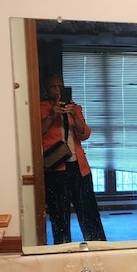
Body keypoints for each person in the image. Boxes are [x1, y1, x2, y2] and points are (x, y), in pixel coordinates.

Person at [40, 75, 106, 244]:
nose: (56, 90)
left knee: (88, 209)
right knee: (59, 212)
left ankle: (97, 244)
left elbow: (85, 134)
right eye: (53, 86)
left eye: (59, 86)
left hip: (79, 166)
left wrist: (74, 116)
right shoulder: (41, 108)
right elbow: (36, 134)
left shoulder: (75, 108)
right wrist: (51, 115)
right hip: (55, 168)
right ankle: (62, 247)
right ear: (46, 89)